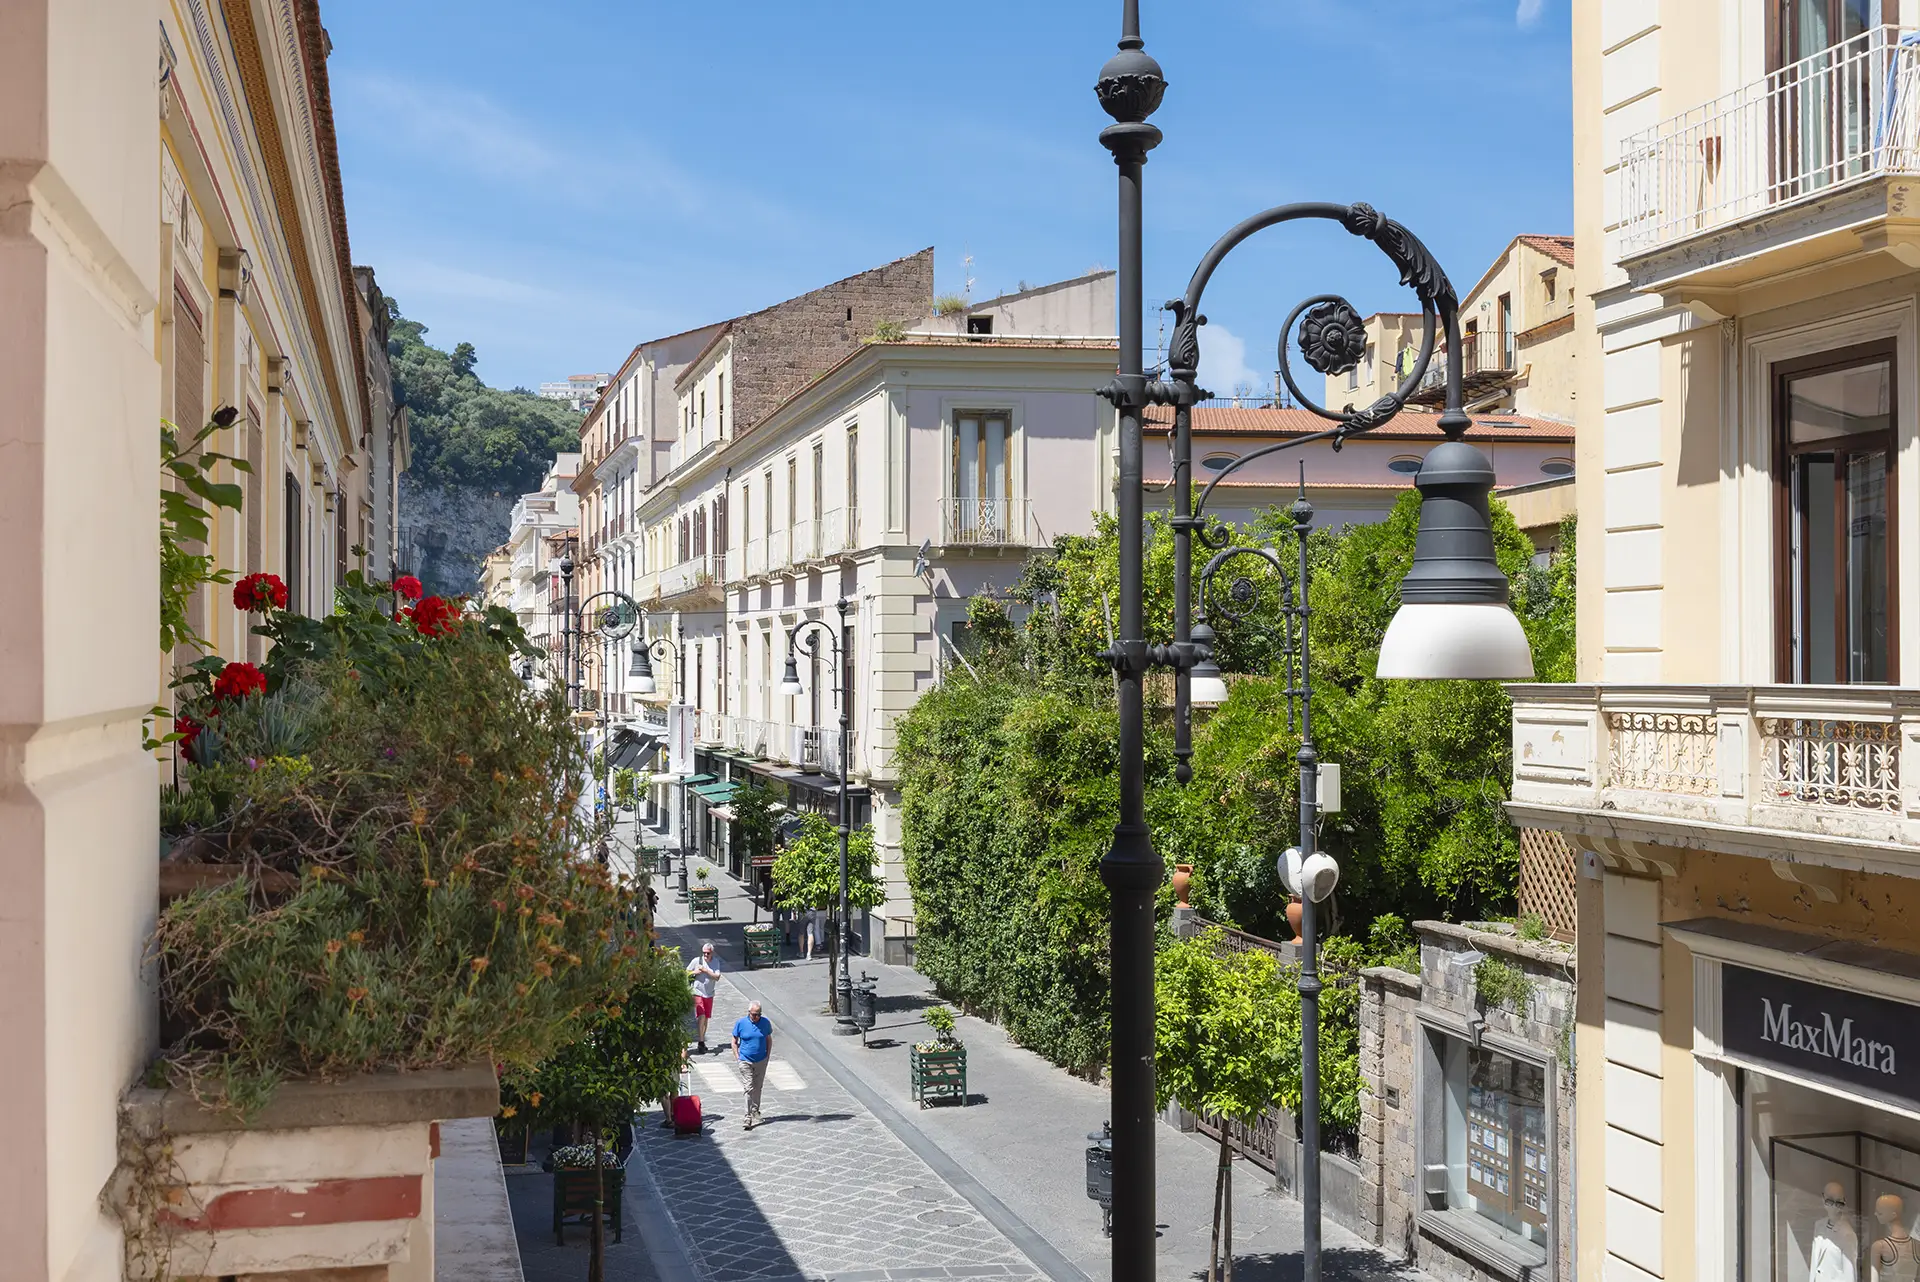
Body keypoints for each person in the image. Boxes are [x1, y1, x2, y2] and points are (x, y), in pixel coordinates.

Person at [732, 1000, 773, 1130]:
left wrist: (767, 1056)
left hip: (761, 1059)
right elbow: (734, 1041)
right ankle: (747, 1116)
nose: (756, 1017)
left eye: (758, 1014)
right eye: (753, 1014)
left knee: (758, 1086)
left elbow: (768, 1039)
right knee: (748, 1088)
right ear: (749, 1013)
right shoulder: (741, 1023)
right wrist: (738, 1057)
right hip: (745, 1060)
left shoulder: (765, 1023)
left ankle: (755, 1109)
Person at [685, 942, 721, 1053]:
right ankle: (701, 1041)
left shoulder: (715, 962)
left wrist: (706, 971)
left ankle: (702, 1040)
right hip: (697, 991)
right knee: (701, 1015)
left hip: (709, 993)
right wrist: (694, 972)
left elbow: (717, 977)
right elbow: (685, 972)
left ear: (712, 953)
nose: (706, 955)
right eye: (704, 953)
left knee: (706, 1018)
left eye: (708, 953)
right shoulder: (697, 961)